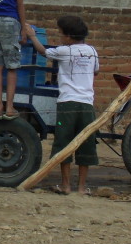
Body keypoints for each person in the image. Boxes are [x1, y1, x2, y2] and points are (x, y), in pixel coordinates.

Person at [26, 15, 99, 195]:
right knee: (86, 143)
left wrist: (32, 35)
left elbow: (43, 51)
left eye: (60, 34)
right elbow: (96, 71)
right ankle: (82, 187)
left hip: (67, 104)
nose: (60, 37)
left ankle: (66, 185)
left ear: (68, 36)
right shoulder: (92, 51)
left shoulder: (64, 51)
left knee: (63, 143)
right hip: (87, 104)